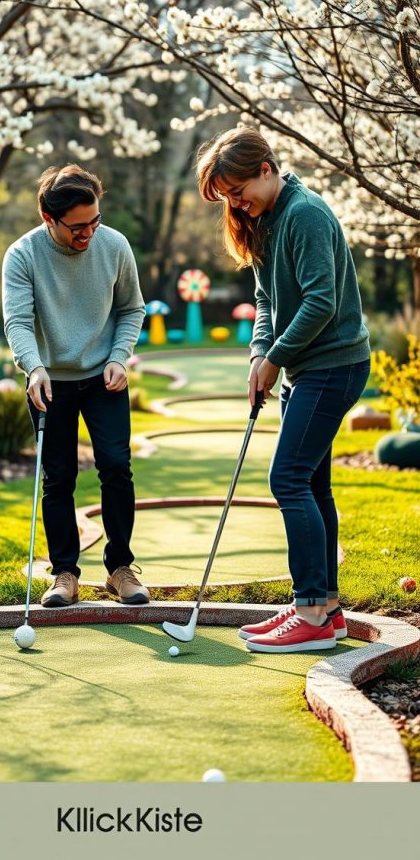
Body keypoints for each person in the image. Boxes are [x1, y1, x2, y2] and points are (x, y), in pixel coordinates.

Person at [197, 127, 370, 653]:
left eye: (237, 189)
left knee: (288, 479)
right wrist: (258, 355)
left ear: (266, 168)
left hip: (333, 365)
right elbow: (266, 299)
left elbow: (320, 302)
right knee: (313, 485)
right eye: (225, 196)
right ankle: (327, 609)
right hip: (307, 368)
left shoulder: (306, 215)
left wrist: (275, 360)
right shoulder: (267, 219)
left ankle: (310, 611)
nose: (235, 202)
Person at [2, 163, 150, 608]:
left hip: (105, 377)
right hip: (50, 382)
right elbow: (18, 320)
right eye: (77, 227)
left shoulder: (114, 245)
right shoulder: (23, 255)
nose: (88, 234)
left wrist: (119, 357)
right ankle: (64, 573)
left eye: (95, 221)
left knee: (115, 467)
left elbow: (132, 308)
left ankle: (120, 569)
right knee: (59, 477)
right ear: (49, 219)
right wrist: (33, 367)